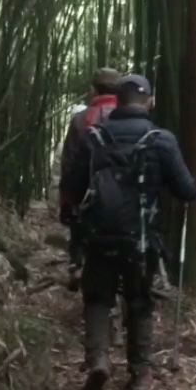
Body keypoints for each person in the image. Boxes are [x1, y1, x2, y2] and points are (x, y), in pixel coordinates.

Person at [59, 74, 196, 390]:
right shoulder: (161, 140)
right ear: (150, 102)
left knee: (97, 299)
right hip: (142, 240)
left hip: (99, 237)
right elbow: (187, 190)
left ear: (116, 102)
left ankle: (99, 360)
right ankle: (139, 375)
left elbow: (72, 188)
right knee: (139, 303)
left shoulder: (95, 136)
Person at [57, 67, 123, 277]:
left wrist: (66, 200)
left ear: (93, 90)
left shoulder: (81, 119)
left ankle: (77, 263)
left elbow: (70, 162)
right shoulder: (130, 118)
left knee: (79, 219)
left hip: (88, 193)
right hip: (125, 194)